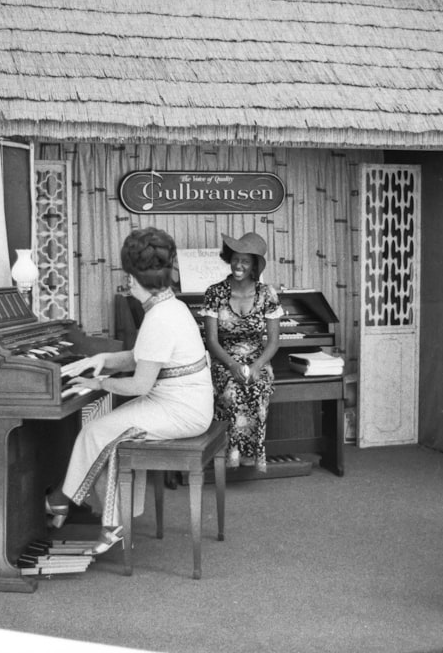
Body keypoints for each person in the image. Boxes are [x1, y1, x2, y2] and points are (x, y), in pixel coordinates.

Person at [46, 227, 213, 554]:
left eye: (128, 277)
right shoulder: (170, 306)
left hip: (181, 411)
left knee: (96, 432)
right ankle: (81, 508)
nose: (126, 282)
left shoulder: (159, 317)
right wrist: (101, 359)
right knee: (105, 432)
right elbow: (145, 357)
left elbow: (139, 384)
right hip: (183, 402)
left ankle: (82, 509)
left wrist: (97, 382)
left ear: (134, 279)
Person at [203, 231, 283, 472]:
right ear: (230, 259)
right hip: (224, 359)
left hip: (258, 359)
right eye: (236, 259)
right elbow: (211, 341)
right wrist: (233, 366)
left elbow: (274, 342)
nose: (239, 265)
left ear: (254, 266)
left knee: (256, 387)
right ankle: (228, 454)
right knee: (231, 389)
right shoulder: (214, 293)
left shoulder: (267, 294)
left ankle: (251, 455)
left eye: (245, 261)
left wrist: (257, 366)